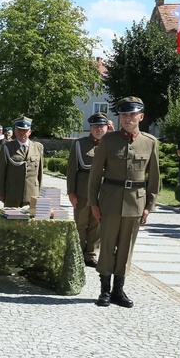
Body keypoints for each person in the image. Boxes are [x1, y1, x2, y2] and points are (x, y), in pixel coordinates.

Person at [88, 96, 160, 308]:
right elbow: (95, 174)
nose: (127, 119)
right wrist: (93, 202)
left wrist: (149, 206)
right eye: (123, 115)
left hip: (135, 202)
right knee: (108, 245)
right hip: (109, 200)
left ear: (141, 116)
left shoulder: (150, 142)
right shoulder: (109, 141)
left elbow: (154, 178)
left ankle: (119, 290)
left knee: (126, 247)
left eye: (132, 114)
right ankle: (104, 290)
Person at [67, 112, 108, 267]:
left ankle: (90, 254)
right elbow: (72, 170)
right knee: (81, 224)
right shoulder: (80, 144)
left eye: (102, 126)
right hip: (83, 191)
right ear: (90, 127)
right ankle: (77, 252)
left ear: (106, 127)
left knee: (96, 224)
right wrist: (71, 192)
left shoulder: (111, 144)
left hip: (103, 191)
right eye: (95, 126)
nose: (99, 129)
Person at [0, 117, 44, 208]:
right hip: (12, 195)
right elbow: (1, 172)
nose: (22, 133)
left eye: (25, 131)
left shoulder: (38, 147)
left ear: (29, 132)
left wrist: (39, 191)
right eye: (19, 130)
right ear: (15, 131)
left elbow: (40, 173)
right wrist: (1, 192)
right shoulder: (7, 147)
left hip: (32, 194)